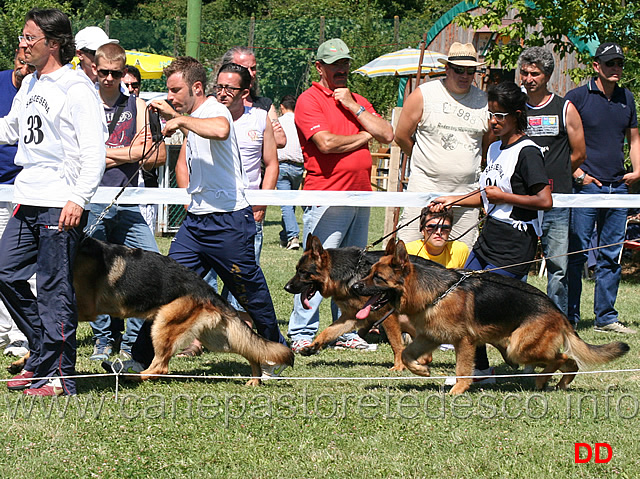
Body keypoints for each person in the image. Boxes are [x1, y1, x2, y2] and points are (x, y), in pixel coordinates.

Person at [128, 56, 288, 378]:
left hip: (229, 223)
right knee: (165, 290)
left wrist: (180, 121)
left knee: (250, 295)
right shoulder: (194, 114)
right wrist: (176, 116)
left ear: (197, 87)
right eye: (169, 90)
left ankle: (273, 354)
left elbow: (220, 128)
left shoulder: (214, 109)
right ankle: (139, 359)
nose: (171, 95)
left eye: (176, 90)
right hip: (196, 225)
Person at [0, 8, 106, 396]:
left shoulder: (77, 89)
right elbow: (11, 128)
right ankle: (43, 354)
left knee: (53, 288)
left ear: (55, 44)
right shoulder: (29, 85)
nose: (23, 44)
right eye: (23, 37)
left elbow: (95, 152)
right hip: (27, 196)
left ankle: (59, 376)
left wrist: (78, 197)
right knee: (5, 273)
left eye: (30, 38)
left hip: (60, 202)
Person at [432, 81, 552, 383]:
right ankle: (480, 370)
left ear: (517, 115)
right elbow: (487, 194)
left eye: (500, 116)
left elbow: (544, 200)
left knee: (486, 308)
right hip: (491, 235)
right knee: (461, 295)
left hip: (516, 241)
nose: (494, 121)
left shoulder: (528, 152)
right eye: (491, 114)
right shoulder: (496, 147)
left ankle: (541, 356)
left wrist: (505, 197)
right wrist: (453, 199)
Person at [287, 38, 394, 353]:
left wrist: (353, 107)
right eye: (334, 64)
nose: (341, 69)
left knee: (355, 272)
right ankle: (302, 332)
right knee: (315, 269)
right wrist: (364, 134)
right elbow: (326, 144)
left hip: (361, 197)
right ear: (319, 67)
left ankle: (345, 332)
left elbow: (387, 133)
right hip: (328, 196)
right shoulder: (309, 100)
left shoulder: (356, 99)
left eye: (345, 63)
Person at [86, 43, 164, 362]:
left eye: (115, 73)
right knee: (93, 272)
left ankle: (133, 343)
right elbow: (81, 155)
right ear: (95, 69)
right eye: (103, 71)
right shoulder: (83, 103)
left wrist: (104, 155)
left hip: (128, 202)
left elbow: (150, 153)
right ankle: (103, 341)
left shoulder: (139, 106)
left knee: (150, 267)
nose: (108, 78)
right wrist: (128, 151)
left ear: (123, 71)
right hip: (91, 201)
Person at [565, 42, 640, 334]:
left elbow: (634, 140)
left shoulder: (627, 98)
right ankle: (570, 318)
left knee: (611, 255)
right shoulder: (577, 98)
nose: (616, 69)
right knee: (577, 255)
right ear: (596, 66)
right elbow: (562, 141)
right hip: (586, 188)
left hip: (618, 187)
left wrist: (637, 171)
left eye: (620, 63)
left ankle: (606, 318)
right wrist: (578, 173)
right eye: (610, 64)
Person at [395, 42, 492, 250]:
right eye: (458, 70)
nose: (464, 75)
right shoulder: (423, 95)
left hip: (465, 194)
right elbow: (401, 135)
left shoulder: (484, 102)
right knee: (409, 254)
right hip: (424, 189)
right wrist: (423, 159)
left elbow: (488, 145)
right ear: (447, 68)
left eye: (470, 70)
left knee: (462, 259)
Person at [518, 46, 586, 316]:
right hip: (521, 199)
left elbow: (579, 153)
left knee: (558, 266)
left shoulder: (565, 108)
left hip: (556, 200)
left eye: (534, 73)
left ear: (546, 75)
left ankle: (556, 322)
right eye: (524, 73)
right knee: (519, 264)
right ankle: (517, 318)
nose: (528, 78)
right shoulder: (516, 108)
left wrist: (556, 171)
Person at [0, 49, 35, 358]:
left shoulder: (46, 86)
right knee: (4, 268)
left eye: (30, 63)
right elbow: (9, 128)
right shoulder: (11, 87)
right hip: (5, 188)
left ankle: (22, 337)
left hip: (29, 192)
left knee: (22, 271)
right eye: (20, 62)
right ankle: (5, 332)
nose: (25, 68)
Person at [123, 64, 166, 234]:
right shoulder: (106, 113)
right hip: (114, 187)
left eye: (134, 85)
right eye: (126, 85)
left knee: (143, 253)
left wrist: (125, 153)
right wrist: (137, 151)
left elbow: (161, 156)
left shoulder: (150, 114)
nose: (131, 89)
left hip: (144, 189)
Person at [221, 46, 286, 148]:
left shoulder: (264, 105)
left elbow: (280, 140)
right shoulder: (215, 102)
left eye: (253, 68)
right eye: (244, 69)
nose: (251, 74)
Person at [276, 94, 304, 250]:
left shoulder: (278, 123)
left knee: (286, 204)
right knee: (289, 203)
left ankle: (293, 236)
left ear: (282, 107)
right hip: (298, 167)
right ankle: (284, 236)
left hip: (282, 166)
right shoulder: (300, 122)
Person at [404, 207, 469, 268]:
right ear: (422, 230)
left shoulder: (460, 250)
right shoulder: (409, 251)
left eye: (445, 228)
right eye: (432, 227)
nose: (439, 232)